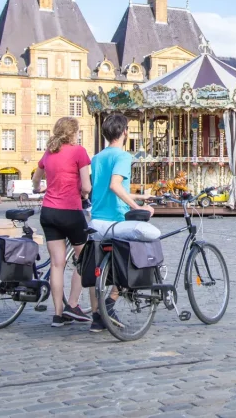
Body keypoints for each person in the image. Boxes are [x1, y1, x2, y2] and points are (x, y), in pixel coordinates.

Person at [89, 112, 157, 333]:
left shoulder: (98, 157)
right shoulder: (124, 156)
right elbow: (115, 186)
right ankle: (111, 302)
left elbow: (101, 188)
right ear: (125, 132)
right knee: (135, 255)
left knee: (96, 268)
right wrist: (139, 209)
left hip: (96, 219)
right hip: (115, 220)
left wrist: (138, 197)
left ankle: (97, 317)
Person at [31, 116, 93, 328]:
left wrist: (39, 188)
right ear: (73, 133)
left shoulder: (49, 152)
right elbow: (86, 186)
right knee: (84, 259)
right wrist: (83, 194)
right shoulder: (79, 152)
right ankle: (73, 305)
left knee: (57, 264)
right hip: (70, 210)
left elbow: (36, 179)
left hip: (48, 212)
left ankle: (57, 315)